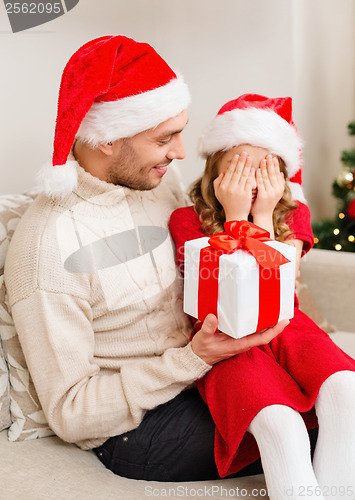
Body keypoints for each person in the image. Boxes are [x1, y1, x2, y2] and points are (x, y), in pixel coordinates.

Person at [4, 37, 288, 482]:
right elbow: (72, 413)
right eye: (165, 138)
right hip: (139, 425)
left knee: (336, 400)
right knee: (300, 432)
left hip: (208, 374)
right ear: (106, 141)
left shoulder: (153, 180)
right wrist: (192, 359)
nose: (180, 152)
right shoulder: (48, 249)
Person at [169, 94, 355, 498]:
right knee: (278, 421)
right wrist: (236, 218)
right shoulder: (185, 221)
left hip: (287, 324)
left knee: (346, 390)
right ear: (215, 171)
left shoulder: (292, 216)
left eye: (265, 169)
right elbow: (232, 302)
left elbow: (273, 292)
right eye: (238, 168)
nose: (252, 182)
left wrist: (265, 217)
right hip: (227, 340)